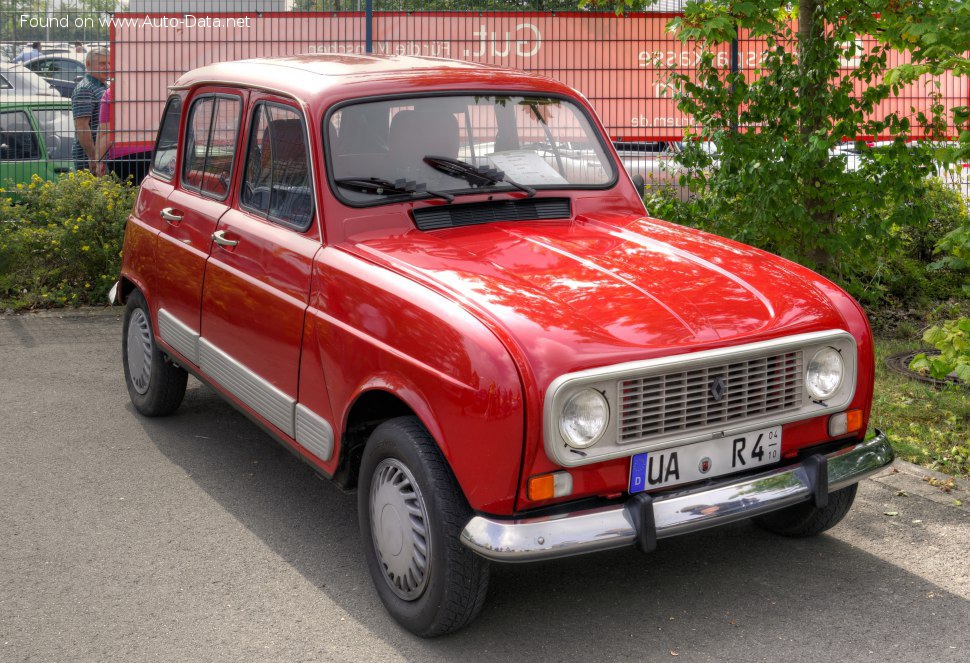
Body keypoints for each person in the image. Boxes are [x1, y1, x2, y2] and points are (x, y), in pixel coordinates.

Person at [94, 82, 149, 183]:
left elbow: (106, 133)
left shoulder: (111, 93)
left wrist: (99, 161)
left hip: (122, 157)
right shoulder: (153, 91)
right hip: (154, 154)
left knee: (123, 191)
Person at [71, 48, 109, 172]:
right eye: (102, 63)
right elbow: (82, 126)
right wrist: (93, 157)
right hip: (89, 159)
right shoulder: (85, 88)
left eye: (109, 63)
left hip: (102, 154)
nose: (107, 67)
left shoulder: (102, 86)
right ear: (88, 64)